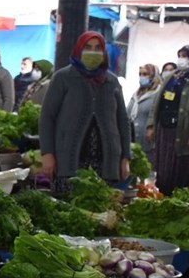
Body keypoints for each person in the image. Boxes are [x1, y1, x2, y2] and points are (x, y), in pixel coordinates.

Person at [40, 32, 131, 195]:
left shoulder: (111, 81)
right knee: (68, 210)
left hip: (105, 162)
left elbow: (122, 120)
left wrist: (125, 157)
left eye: (98, 48)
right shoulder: (63, 78)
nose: (93, 52)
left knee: (101, 211)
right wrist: (47, 153)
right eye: (88, 47)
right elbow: (47, 117)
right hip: (69, 160)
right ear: (79, 49)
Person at [147, 45, 189, 195]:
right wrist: (151, 125)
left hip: (185, 135)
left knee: (180, 176)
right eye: (180, 55)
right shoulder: (173, 76)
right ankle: (163, 200)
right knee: (163, 174)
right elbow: (157, 102)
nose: (181, 59)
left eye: (185, 56)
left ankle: (177, 205)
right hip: (165, 132)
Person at [127, 63, 161, 160]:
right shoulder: (136, 94)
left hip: (148, 142)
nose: (142, 77)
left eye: (145, 74)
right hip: (132, 140)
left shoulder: (158, 94)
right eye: (140, 74)